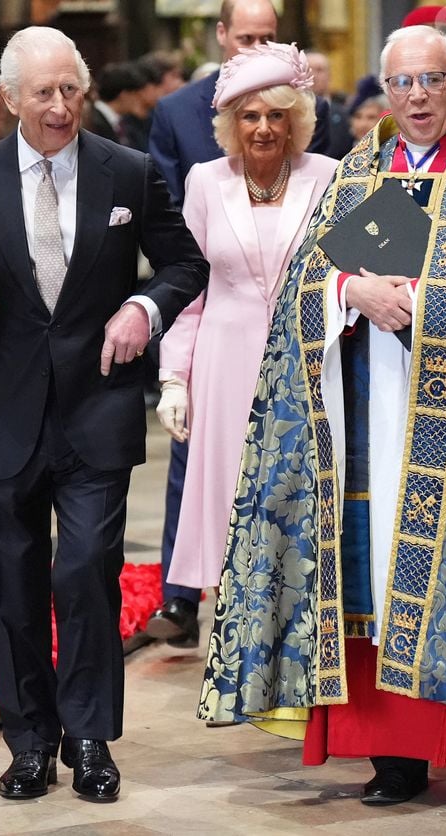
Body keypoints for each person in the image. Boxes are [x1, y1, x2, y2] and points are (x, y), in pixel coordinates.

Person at [0, 26, 208, 803]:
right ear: (12, 98)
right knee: (12, 588)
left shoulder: (127, 170)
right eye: (43, 92)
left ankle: (89, 738)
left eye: (70, 89)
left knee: (86, 574)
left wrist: (144, 308)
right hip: (1, 414)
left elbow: (185, 263)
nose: (59, 106)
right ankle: (31, 744)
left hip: (96, 408)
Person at [197, 24, 446, 805]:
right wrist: (353, 292)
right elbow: (305, 282)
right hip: (368, 415)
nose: (416, 96)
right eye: (402, 82)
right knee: (375, 578)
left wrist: (427, 298)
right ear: (385, 91)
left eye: (432, 80)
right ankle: (397, 757)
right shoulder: (359, 172)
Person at [156, 42, 337, 598]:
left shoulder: (330, 177)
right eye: (250, 116)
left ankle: (299, 623)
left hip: (306, 366)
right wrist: (173, 379)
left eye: (277, 115)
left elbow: (349, 272)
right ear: (232, 124)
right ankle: (232, 628)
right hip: (224, 366)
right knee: (229, 499)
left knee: (299, 500)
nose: (263, 128)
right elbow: (188, 288)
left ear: (296, 120)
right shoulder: (206, 181)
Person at [146, 0, 280, 649]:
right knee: (194, 460)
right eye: (245, 36)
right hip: (213, 312)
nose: (255, 48)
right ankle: (182, 596)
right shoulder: (179, 115)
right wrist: (175, 369)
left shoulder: (309, 125)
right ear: (222, 35)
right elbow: (167, 214)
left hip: (285, 334)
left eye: (267, 37)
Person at [305, 50, 352, 159]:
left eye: (319, 70)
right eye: (307, 70)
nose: (313, 75)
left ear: (329, 75)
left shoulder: (345, 115)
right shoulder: (291, 113)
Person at [346, 75, 388, 144]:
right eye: (358, 117)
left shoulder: (395, 149)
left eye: (371, 117)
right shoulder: (343, 148)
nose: (363, 124)